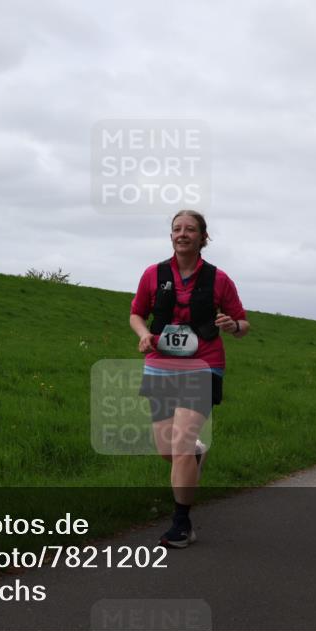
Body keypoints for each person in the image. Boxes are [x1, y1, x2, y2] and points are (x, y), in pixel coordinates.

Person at [129, 210, 248, 548]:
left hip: (203, 365)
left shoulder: (219, 279)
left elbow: (243, 323)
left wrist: (232, 326)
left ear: (202, 237)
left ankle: (182, 524)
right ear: (171, 236)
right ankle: (195, 456)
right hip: (160, 365)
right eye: (177, 229)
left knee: (179, 444)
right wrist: (142, 334)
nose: (182, 234)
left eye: (190, 229)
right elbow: (137, 312)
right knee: (167, 450)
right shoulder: (153, 274)